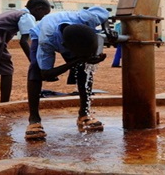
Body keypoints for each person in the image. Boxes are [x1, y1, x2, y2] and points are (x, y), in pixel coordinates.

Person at [24, 7, 110, 140]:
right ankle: (34, 120)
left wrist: (106, 33)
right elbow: (46, 74)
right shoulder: (46, 40)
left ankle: (84, 114)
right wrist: (76, 61)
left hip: (74, 35)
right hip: (41, 32)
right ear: (65, 47)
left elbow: (104, 13)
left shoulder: (89, 19)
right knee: (35, 71)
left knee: (85, 69)